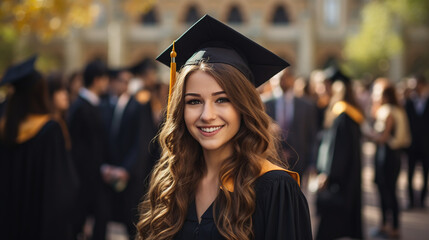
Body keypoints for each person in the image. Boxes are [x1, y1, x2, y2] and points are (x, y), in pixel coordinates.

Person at [137, 15, 312, 240]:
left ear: (243, 107)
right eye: (194, 101)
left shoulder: (275, 189)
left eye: (222, 99)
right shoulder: (170, 183)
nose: (207, 115)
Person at [0, 56, 78, 240]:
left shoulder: (5, 132)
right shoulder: (50, 130)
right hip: (41, 226)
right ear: (40, 94)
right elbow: (64, 187)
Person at [315, 67, 364, 240]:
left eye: (325, 84)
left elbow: (337, 150)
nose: (321, 89)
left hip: (339, 182)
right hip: (348, 178)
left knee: (330, 227)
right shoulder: (348, 112)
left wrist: (327, 174)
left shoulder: (343, 114)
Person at [67, 59, 110, 240]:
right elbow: (77, 146)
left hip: (96, 175)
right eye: (104, 79)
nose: (106, 83)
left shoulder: (95, 104)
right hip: (84, 177)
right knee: (79, 221)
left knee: (101, 219)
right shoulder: (80, 107)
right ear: (97, 80)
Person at [369, 81, 411, 238]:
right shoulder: (398, 110)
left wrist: (368, 133)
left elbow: (383, 137)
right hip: (394, 155)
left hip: (387, 155)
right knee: (389, 190)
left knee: (386, 191)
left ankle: (390, 227)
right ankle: (390, 226)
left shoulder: (387, 111)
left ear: (385, 96)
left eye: (378, 93)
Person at [265, 67, 318, 184]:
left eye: (286, 77)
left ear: (293, 79)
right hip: (272, 161)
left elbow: (311, 136)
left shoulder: (306, 105)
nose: (282, 81)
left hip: (299, 162)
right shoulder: (264, 103)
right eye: (279, 78)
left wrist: (312, 163)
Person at [404, 74, 429, 209]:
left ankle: (422, 200)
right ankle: (411, 201)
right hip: (412, 145)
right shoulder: (408, 102)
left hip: (426, 146)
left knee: (425, 174)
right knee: (410, 174)